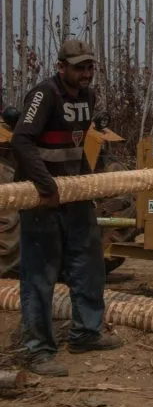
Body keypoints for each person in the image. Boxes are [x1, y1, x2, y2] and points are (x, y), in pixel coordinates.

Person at [11, 38, 121, 377]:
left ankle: (85, 333)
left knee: (89, 266)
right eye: (80, 67)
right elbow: (21, 140)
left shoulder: (87, 97)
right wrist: (46, 186)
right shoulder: (45, 94)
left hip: (75, 197)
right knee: (40, 275)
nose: (87, 72)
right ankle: (37, 350)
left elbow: (77, 145)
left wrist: (88, 184)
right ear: (61, 67)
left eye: (90, 66)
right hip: (43, 199)